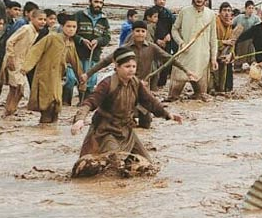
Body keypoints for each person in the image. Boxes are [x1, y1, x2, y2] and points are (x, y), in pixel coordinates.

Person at [70, 47, 184, 177]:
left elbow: (150, 102)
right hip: (106, 131)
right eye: (127, 66)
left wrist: (168, 115)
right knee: (115, 164)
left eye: (134, 66)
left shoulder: (136, 83)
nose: (131, 69)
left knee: (147, 165)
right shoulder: (107, 84)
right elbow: (89, 102)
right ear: (117, 67)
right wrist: (80, 119)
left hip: (126, 130)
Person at [83, 21, 196, 128]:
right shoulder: (124, 49)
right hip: (125, 86)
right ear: (132, 32)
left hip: (143, 87)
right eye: (137, 31)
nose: (140, 34)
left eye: (143, 31)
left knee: (146, 123)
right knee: (123, 116)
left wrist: (186, 71)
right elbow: (105, 62)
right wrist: (87, 75)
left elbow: (170, 59)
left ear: (146, 33)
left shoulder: (152, 48)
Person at [21, 15, 83, 123]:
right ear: (62, 26)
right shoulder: (52, 38)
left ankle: (51, 132)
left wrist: (81, 78)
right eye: (68, 26)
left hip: (57, 77)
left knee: (56, 106)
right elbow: (35, 51)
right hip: (45, 76)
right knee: (46, 106)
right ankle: (43, 131)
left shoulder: (70, 43)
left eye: (74, 27)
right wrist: (26, 67)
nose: (71, 29)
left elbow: (75, 62)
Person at [168, 0, 218, 101]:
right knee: (173, 96)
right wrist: (181, 43)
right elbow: (174, 30)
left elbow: (213, 38)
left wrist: (213, 58)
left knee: (200, 97)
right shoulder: (184, 12)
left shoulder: (211, 15)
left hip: (202, 57)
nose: (199, 0)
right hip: (185, 54)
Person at [1, 9, 46, 117]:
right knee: (17, 88)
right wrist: (10, 57)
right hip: (13, 60)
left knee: (16, 89)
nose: (43, 22)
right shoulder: (26, 28)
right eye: (40, 19)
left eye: (44, 19)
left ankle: (10, 111)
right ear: (32, 18)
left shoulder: (35, 32)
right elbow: (10, 41)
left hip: (21, 62)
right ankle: (9, 111)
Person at [69, 0, 110, 100]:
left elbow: (107, 37)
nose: (98, 5)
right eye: (96, 2)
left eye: (101, 3)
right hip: (77, 52)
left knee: (91, 80)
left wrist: (98, 41)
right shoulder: (79, 15)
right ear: (90, 2)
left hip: (94, 54)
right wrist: (82, 40)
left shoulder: (104, 20)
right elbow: (71, 32)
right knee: (73, 78)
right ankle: (66, 101)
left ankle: (85, 101)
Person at [234, 9, 262, 80]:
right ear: (261, 18)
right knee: (257, 74)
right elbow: (245, 35)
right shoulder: (256, 28)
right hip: (259, 53)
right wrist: (235, 40)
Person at [232, 0, 261, 69]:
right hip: (240, 40)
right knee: (239, 56)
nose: (251, 10)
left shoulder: (256, 18)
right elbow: (232, 24)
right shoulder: (239, 17)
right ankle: (238, 66)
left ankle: (253, 68)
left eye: (252, 8)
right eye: (249, 8)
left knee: (251, 57)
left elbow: (259, 28)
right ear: (245, 8)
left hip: (251, 40)